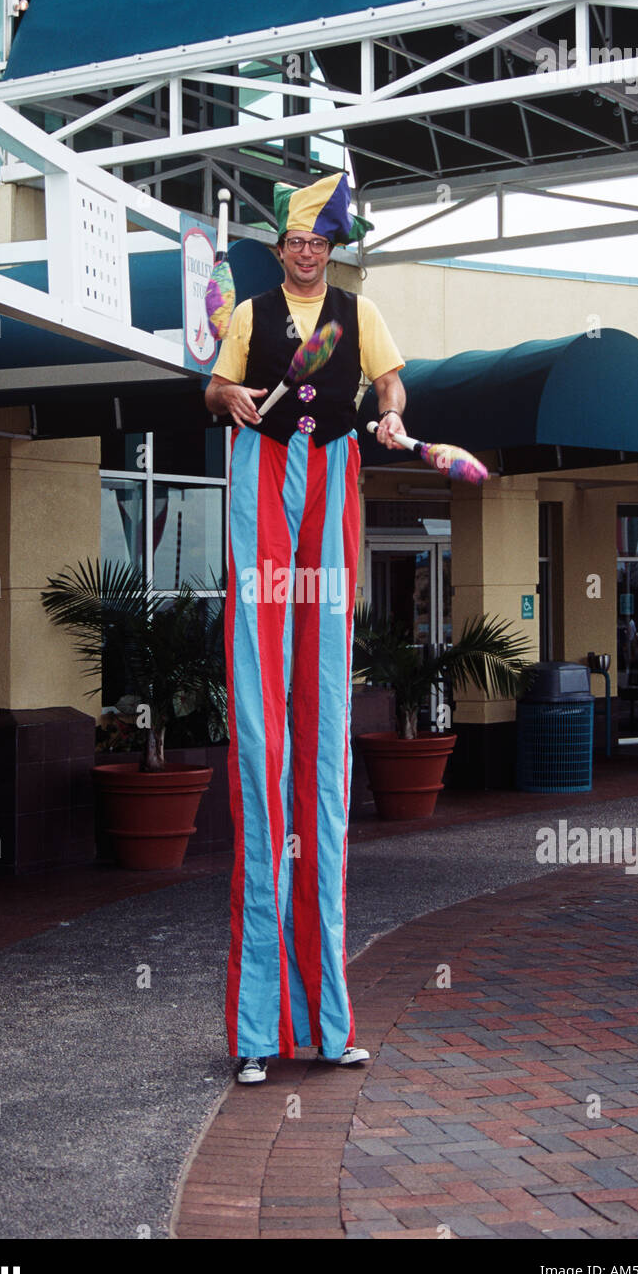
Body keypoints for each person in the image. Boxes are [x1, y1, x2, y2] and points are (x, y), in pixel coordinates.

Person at [205, 172, 407, 1084]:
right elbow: (214, 390)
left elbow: (390, 385)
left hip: (331, 482)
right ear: (279, 247)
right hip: (267, 477)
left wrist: (393, 417)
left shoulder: (359, 316)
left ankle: (327, 1028)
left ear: (332, 250)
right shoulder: (251, 314)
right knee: (262, 752)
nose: (306, 254)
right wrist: (234, 402)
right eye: (294, 243)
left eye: (319, 244)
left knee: (324, 762)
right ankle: (256, 1035)